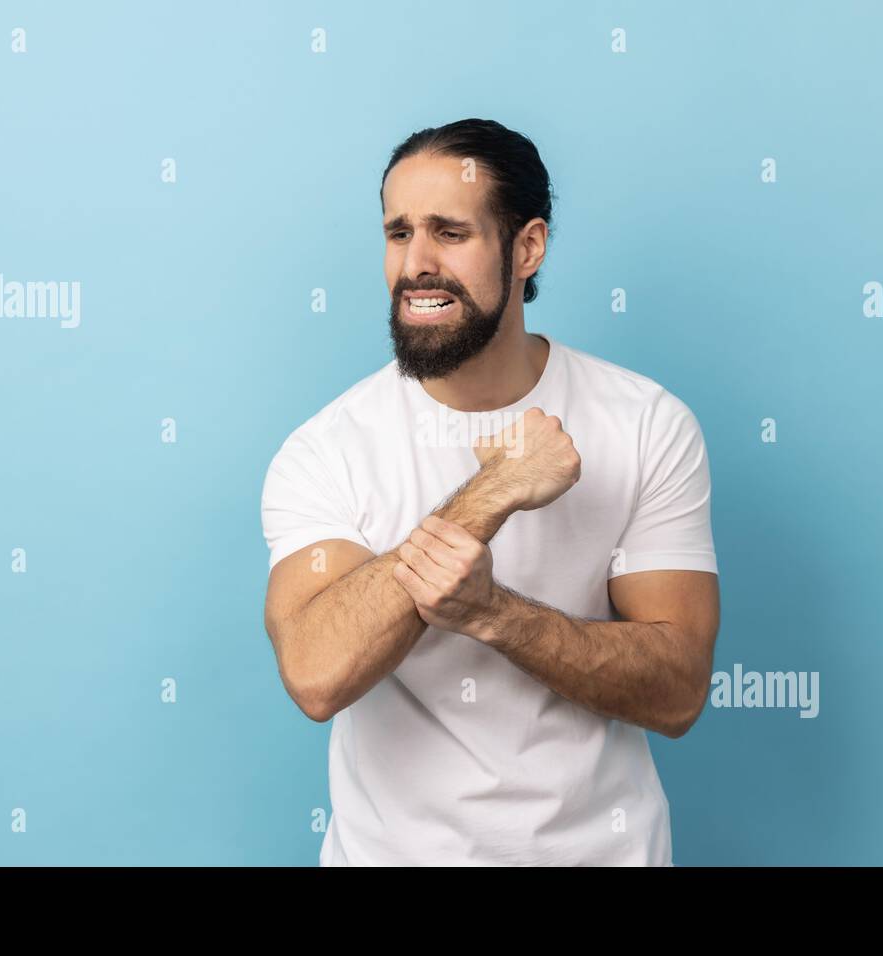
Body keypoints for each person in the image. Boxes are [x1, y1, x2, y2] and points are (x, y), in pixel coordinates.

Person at [261, 118, 720, 865]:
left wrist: (496, 614)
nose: (417, 264)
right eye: (399, 232)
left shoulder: (645, 424)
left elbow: (678, 692)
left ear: (527, 247)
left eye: (450, 232)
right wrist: (491, 493)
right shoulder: (329, 449)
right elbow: (315, 674)